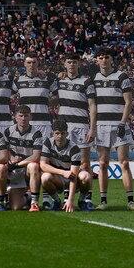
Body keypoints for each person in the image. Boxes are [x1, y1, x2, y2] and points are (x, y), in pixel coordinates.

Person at [92, 48, 134, 210]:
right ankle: (103, 201)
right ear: (96, 60)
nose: (103, 60)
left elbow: (128, 102)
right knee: (103, 164)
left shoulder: (122, 76)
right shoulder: (93, 78)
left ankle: (131, 201)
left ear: (111, 59)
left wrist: (122, 123)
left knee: (124, 163)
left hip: (119, 125)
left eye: (106, 57)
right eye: (100, 57)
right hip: (101, 126)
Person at [57, 51, 98, 186]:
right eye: (69, 62)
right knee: (65, 164)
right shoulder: (59, 81)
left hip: (81, 127)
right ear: (64, 64)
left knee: (85, 164)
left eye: (74, 62)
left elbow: (92, 106)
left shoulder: (87, 82)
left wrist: (92, 128)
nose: (71, 65)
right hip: (64, 128)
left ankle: (86, 198)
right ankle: (66, 196)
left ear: (79, 64)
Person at [39, 120, 93, 212]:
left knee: (86, 176)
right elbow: (43, 165)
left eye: (63, 133)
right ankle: (56, 201)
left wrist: (70, 200)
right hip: (58, 178)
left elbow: (74, 176)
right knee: (45, 177)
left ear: (67, 134)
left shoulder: (74, 148)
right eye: (57, 133)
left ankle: (81, 201)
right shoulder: (48, 143)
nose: (60, 136)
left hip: (72, 177)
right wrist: (63, 172)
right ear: (52, 133)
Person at [2, 105, 43, 211]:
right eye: (20, 116)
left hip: (26, 167)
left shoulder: (37, 133)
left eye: (26, 116)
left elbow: (36, 156)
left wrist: (18, 163)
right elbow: (4, 150)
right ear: (15, 117)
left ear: (30, 117)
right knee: (15, 207)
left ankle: (34, 202)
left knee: (33, 166)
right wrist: (11, 158)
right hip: (14, 168)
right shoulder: (8, 131)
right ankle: (25, 197)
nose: (23, 118)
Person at [13, 52, 58, 139]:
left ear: (38, 63)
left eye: (34, 62)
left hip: (43, 123)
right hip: (24, 123)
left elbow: (59, 95)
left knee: (44, 151)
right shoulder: (18, 81)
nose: (31, 65)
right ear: (24, 64)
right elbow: (7, 96)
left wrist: (49, 103)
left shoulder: (48, 80)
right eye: (29, 62)